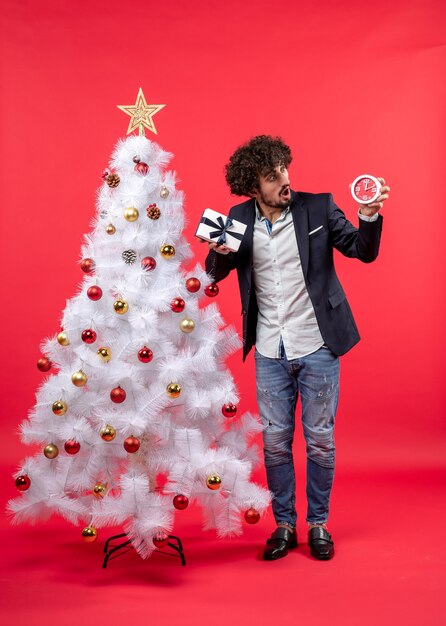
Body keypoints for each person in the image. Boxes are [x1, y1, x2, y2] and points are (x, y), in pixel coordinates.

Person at [205, 135, 390, 561]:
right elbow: (214, 273)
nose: (285, 181)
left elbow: (363, 251)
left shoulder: (318, 207)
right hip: (270, 348)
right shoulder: (236, 218)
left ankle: (318, 523)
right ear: (253, 187)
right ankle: (284, 525)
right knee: (275, 440)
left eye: (285, 170)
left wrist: (369, 214)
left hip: (318, 344)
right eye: (273, 177)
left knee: (320, 440)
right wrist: (216, 253)